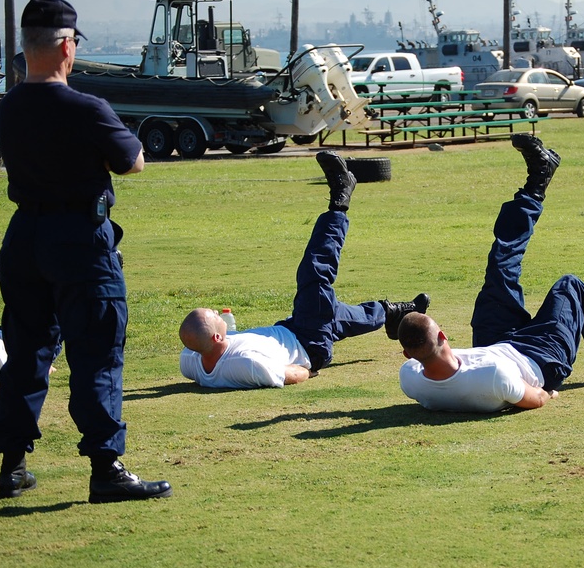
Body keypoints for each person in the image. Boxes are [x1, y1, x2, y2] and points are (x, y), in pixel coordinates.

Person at [0, 0, 171, 503]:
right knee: (96, 352)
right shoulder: (87, 107)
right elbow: (132, 161)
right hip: (79, 239)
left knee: (26, 351)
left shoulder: (10, 107)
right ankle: (106, 468)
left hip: (24, 235)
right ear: (67, 46)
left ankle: (13, 463)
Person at [396, 134, 584, 413]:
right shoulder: (489, 378)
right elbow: (536, 397)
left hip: (495, 345)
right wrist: (549, 394)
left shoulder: (410, 377)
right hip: (538, 357)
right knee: (569, 287)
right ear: (442, 335)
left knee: (500, 266)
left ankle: (538, 181)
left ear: (408, 354)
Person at [179, 151, 430, 390]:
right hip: (308, 343)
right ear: (216, 339)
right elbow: (294, 374)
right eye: (211, 315)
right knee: (315, 275)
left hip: (292, 329)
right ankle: (340, 200)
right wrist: (309, 369)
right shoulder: (244, 365)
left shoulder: (190, 359)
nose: (214, 310)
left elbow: (197, 352)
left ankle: (392, 313)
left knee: (332, 314)